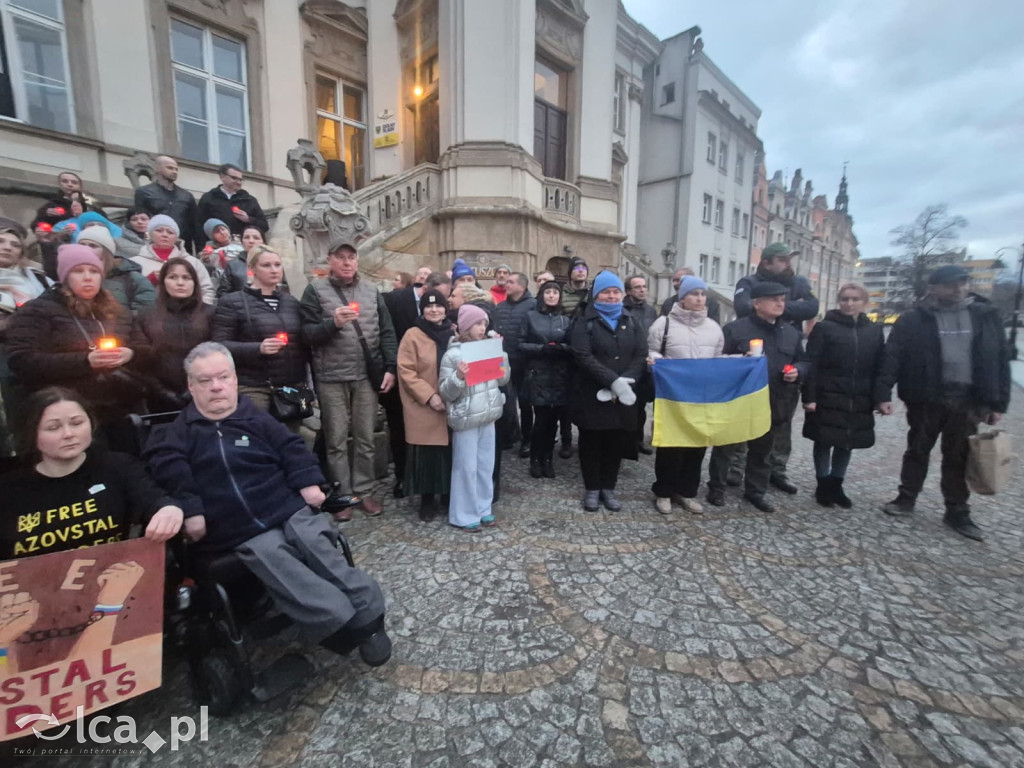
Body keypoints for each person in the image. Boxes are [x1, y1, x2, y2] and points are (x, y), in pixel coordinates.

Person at [144, 342, 391, 665]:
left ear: (234, 379)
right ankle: (338, 624)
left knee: (315, 542)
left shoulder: (255, 418)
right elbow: (169, 470)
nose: (216, 387)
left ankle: (370, 617)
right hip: (237, 524)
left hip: (284, 503)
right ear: (191, 386)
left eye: (223, 377)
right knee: (275, 555)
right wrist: (190, 509)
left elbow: (292, 449)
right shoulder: (178, 434)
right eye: (205, 381)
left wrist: (307, 482)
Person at [877, 265, 1011, 541]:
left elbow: (998, 359)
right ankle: (906, 498)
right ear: (933, 288)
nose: (958, 289)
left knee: (959, 455)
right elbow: (893, 357)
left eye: (962, 283)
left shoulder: (985, 315)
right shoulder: (915, 319)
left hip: (967, 399)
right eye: (951, 284)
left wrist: (997, 403)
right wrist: (882, 394)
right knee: (917, 449)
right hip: (926, 396)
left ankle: (957, 509)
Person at [0, 387, 183, 559]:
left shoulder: (118, 466)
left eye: (77, 423)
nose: (68, 434)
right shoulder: (8, 489)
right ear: (32, 433)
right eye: (53, 427)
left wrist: (169, 510)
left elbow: (154, 499)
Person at [7, 245, 153, 449]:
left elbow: (145, 349)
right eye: (78, 271)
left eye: (93, 271)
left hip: (119, 408)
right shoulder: (37, 310)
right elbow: (22, 360)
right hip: (68, 413)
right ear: (65, 276)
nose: (87, 277)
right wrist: (84, 361)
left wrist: (130, 354)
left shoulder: (119, 311)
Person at [300, 241, 397, 517]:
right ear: (330, 260)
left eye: (351, 257)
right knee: (336, 440)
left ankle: (364, 491)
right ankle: (344, 495)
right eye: (340, 257)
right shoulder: (314, 291)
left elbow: (387, 331)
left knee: (366, 438)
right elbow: (306, 334)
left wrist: (390, 367)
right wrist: (333, 324)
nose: (346, 263)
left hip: (366, 375)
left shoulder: (370, 290)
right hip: (330, 376)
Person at [707, 282, 807, 514]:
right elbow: (718, 362)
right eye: (774, 300)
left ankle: (755, 491)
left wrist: (798, 371)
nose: (780, 303)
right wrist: (737, 361)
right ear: (757, 303)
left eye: (782, 300)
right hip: (738, 401)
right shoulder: (735, 329)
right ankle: (717, 488)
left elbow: (804, 362)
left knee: (763, 452)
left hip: (773, 401)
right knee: (725, 449)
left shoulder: (791, 333)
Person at [733, 243, 819, 493]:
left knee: (781, 422)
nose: (787, 264)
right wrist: (789, 308)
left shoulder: (799, 283)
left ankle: (777, 469)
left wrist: (775, 308)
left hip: (784, 359)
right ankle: (736, 468)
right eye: (782, 259)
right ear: (768, 261)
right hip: (754, 357)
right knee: (744, 420)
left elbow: (812, 307)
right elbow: (743, 307)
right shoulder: (748, 281)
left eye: (789, 259)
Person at [801, 283, 887, 509]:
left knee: (847, 441)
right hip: (828, 393)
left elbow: (881, 367)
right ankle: (823, 484)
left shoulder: (874, 331)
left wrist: (881, 397)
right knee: (824, 440)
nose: (849, 304)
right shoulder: (825, 328)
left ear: (864, 302)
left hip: (858, 395)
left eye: (855, 299)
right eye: (845, 299)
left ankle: (837, 484)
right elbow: (812, 363)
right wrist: (809, 397)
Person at [569, 271, 647, 511]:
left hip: (623, 396)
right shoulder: (584, 320)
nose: (612, 296)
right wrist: (613, 381)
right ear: (596, 295)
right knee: (591, 443)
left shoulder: (631, 320)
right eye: (606, 292)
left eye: (616, 292)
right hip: (592, 393)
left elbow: (641, 354)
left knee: (615, 442)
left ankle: (608, 487)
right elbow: (582, 355)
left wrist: (627, 381)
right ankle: (592, 487)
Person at [647, 276, 723, 514]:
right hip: (672, 397)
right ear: (682, 297)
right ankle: (664, 491)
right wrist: (655, 362)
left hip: (701, 397)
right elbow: (652, 351)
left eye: (703, 294)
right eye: (694, 294)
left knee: (696, 446)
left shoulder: (713, 328)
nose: (700, 299)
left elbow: (716, 359)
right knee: (671, 446)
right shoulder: (663, 324)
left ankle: (687, 491)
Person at [213, 246, 308, 430]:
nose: (274, 270)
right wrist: (258, 348)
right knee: (259, 439)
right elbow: (220, 346)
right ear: (252, 269)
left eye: (277, 265)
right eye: (266, 265)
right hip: (256, 386)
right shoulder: (232, 301)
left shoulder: (291, 301)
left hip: (292, 385)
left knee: (292, 440)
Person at [439, 304, 510, 531]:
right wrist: (459, 376)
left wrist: (501, 354)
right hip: (466, 418)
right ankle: (463, 514)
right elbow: (446, 392)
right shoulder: (452, 355)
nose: (482, 328)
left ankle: (483, 508)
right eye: (478, 323)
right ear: (466, 326)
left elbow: (503, 380)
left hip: (488, 416)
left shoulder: (488, 349)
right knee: (465, 467)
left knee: (485, 466)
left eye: (484, 324)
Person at [396, 289, 454, 521]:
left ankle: (449, 495)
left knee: (449, 453)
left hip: (450, 402)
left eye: (438, 306)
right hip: (425, 404)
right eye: (428, 306)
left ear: (445, 309)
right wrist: (430, 396)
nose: (433, 310)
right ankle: (427, 499)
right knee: (428, 455)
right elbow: (406, 370)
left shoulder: (453, 332)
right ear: (422, 309)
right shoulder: (412, 335)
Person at [0, 218, 51, 455]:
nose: (7, 247)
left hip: (35, 357)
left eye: (14, 244)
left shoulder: (37, 279)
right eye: (1, 241)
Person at [140, 257, 215, 408]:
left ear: (195, 282)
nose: (180, 283)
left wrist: (197, 386)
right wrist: (161, 391)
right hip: (159, 394)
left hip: (206, 390)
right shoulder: (146, 315)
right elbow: (142, 358)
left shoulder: (210, 313)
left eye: (186, 278)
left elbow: (216, 353)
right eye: (173, 277)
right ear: (163, 282)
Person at [519, 280, 572, 478]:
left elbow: (573, 345)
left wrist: (562, 348)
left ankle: (548, 458)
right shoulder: (530, 317)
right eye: (548, 292)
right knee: (540, 420)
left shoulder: (565, 320)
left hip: (559, 375)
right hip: (538, 373)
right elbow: (520, 344)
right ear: (542, 295)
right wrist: (541, 348)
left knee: (554, 421)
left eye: (555, 292)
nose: (551, 295)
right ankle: (535, 458)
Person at [492, 273, 536, 458]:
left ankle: (527, 439)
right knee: (504, 401)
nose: (506, 284)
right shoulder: (500, 307)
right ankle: (508, 436)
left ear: (522, 286)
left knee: (525, 404)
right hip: (504, 362)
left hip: (525, 362)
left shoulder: (533, 305)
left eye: (511, 282)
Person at [76, 222, 156, 315]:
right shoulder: (71, 276)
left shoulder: (131, 278)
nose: (86, 249)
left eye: (93, 246)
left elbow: (145, 310)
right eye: (82, 245)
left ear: (106, 251)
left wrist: (124, 323)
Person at [132, 214, 214, 303]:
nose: (165, 235)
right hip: (150, 314)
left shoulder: (192, 262)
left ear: (176, 237)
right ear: (150, 233)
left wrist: (200, 312)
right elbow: (127, 292)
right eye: (159, 230)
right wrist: (149, 280)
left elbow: (206, 290)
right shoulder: (135, 263)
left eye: (170, 232)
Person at [133, 154, 199, 253]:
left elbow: (195, 225)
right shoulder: (144, 192)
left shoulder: (186, 195)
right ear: (157, 168)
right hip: (154, 245)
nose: (174, 171)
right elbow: (141, 220)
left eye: (176, 169)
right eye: (170, 168)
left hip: (182, 246)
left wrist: (199, 250)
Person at [624, 274, 658, 456]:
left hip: (645, 365)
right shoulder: (621, 309)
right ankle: (624, 442)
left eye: (644, 286)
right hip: (627, 365)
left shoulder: (651, 312)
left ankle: (638, 440)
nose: (642, 290)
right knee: (625, 406)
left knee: (641, 407)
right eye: (637, 287)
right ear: (628, 291)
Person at [196, 163, 268, 237]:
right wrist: (202, 247)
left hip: (242, 246)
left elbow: (264, 226)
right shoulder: (209, 198)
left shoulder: (249, 200)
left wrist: (248, 219)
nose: (239, 182)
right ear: (222, 177)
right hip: (217, 246)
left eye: (240, 179)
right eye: (234, 178)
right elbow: (199, 226)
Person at [31, 172, 105, 230]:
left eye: (74, 182)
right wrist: (46, 216)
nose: (69, 184)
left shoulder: (91, 204)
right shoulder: (51, 205)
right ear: (60, 185)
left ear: (80, 186)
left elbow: (105, 222)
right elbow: (37, 225)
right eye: (65, 181)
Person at [217, 225, 265, 297]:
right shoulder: (233, 265)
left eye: (256, 238)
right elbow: (223, 293)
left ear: (263, 242)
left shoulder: (274, 262)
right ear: (242, 242)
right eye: (247, 237)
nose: (251, 241)